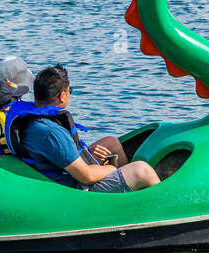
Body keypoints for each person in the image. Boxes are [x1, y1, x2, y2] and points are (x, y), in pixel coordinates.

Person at [14, 66, 160, 192]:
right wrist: (111, 168)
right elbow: (87, 176)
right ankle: (161, 205)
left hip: (63, 170)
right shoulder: (49, 132)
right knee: (142, 170)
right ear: (62, 96)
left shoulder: (35, 121)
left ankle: (127, 193)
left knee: (111, 143)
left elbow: (62, 153)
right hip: (75, 189)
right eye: (69, 90)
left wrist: (89, 158)